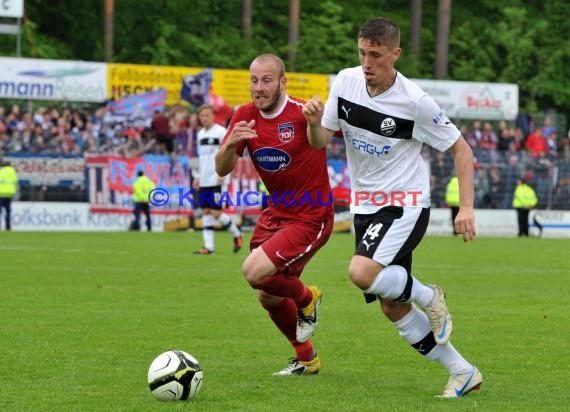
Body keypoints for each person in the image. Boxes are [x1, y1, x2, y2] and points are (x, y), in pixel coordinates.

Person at [302, 17, 482, 398]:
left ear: (395, 54)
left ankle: (429, 295)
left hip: (405, 203)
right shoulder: (346, 82)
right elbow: (319, 141)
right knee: (391, 307)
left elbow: (462, 150)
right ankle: (462, 371)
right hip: (367, 206)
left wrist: (466, 207)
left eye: (376, 55)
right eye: (362, 53)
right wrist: (314, 123)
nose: (367, 63)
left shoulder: (415, 101)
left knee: (360, 272)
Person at [215, 54, 334, 376]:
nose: (259, 87)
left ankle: (308, 297)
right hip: (276, 214)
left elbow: (320, 141)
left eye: (266, 80)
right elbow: (221, 168)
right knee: (267, 295)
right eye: (254, 80)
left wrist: (313, 122)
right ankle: (307, 358)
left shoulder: (301, 112)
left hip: (311, 214)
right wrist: (230, 145)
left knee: (253, 272)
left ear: (282, 82)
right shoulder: (244, 115)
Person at [193, 104, 243, 255]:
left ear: (213, 116)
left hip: (218, 178)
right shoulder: (200, 134)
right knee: (206, 211)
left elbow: (228, 153)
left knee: (216, 213)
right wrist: (197, 177)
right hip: (204, 179)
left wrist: (224, 174)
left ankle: (237, 234)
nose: (205, 118)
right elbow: (200, 157)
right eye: (202, 116)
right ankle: (209, 247)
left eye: (207, 115)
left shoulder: (221, 132)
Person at [0, 160, 19, 231]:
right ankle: (8, 226)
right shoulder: (13, 172)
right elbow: (16, 182)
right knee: (8, 212)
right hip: (9, 194)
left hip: (1, 194)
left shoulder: (1, 171)